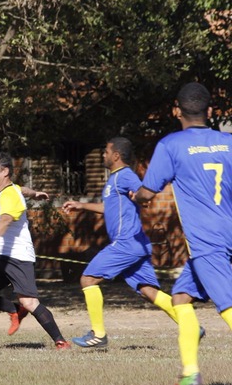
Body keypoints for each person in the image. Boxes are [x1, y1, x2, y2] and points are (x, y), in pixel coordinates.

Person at [134, 82, 232, 385]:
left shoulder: (171, 145)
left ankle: (191, 375)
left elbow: (149, 191)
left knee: (228, 305)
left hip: (206, 240)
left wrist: (136, 196)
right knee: (181, 298)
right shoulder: (228, 142)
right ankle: (190, 375)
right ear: (211, 111)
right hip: (225, 231)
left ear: (177, 110)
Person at [62, 137, 193, 349]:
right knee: (148, 290)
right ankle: (190, 324)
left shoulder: (124, 176)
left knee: (87, 280)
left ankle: (98, 333)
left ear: (116, 156)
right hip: (137, 244)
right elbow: (109, 208)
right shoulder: (114, 179)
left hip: (126, 242)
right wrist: (81, 206)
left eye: (105, 152)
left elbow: (143, 193)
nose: (103, 155)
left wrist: (141, 197)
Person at [0, 152, 71, 349]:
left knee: (29, 302)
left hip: (17, 256)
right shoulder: (7, 190)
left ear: (5, 172)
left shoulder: (10, 194)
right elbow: (23, 190)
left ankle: (60, 341)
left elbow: (6, 219)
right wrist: (35, 193)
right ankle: (14, 310)